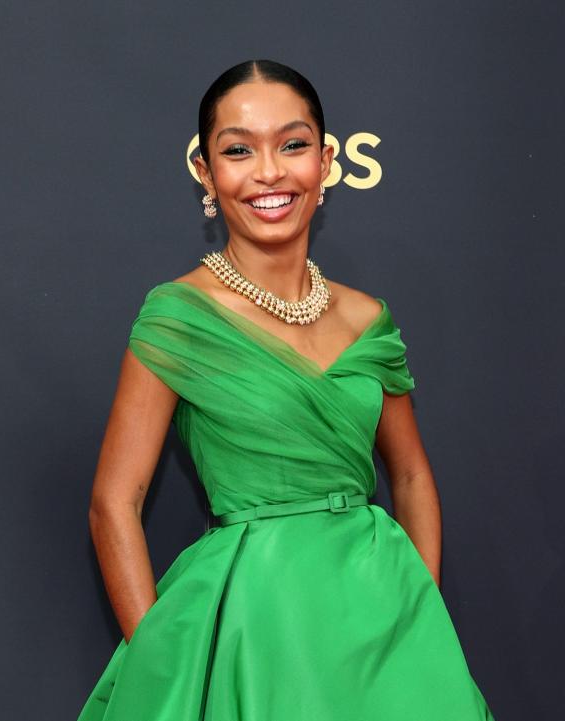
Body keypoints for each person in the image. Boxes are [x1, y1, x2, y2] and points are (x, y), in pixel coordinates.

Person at [75, 59, 494, 720]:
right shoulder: (178, 315)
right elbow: (112, 501)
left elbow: (410, 477)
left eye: (292, 144)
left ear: (325, 162)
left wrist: (416, 608)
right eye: (238, 150)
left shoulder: (367, 319)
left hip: (380, 621)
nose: (268, 172)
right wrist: (162, 650)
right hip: (252, 626)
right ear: (205, 172)